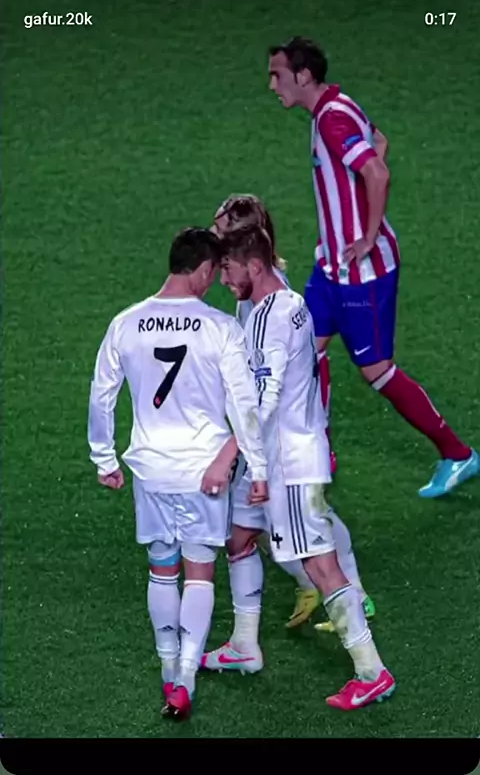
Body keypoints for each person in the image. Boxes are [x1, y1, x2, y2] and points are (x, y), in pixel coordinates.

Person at [267, 35, 479, 498]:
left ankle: (458, 454)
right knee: (305, 348)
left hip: (362, 274)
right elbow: (379, 141)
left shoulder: (332, 120)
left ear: (303, 75)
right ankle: (319, 451)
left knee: (377, 370)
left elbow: (377, 171)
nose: (272, 85)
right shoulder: (337, 104)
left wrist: (366, 234)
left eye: (277, 76)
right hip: (331, 266)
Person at [203, 226, 395, 709]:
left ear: (254, 265)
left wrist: (234, 458)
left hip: (287, 463)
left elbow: (262, 401)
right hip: (280, 454)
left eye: (227, 269)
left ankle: (371, 671)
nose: (224, 280)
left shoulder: (270, 318)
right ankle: (244, 646)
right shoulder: (284, 304)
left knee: (319, 565)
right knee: (239, 537)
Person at [87, 227, 269, 721]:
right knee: (199, 571)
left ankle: (168, 669)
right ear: (204, 269)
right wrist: (257, 465)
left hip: (151, 470)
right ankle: (186, 676)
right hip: (203, 473)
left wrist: (105, 458)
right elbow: (244, 405)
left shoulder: (126, 323)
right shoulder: (219, 328)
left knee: (161, 568)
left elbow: (102, 394)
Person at [210, 193, 375, 634]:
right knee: (249, 525)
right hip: (277, 425)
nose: (213, 238)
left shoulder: (266, 298)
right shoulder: (254, 287)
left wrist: (235, 445)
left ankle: (350, 596)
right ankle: (303, 595)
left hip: (288, 426)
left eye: (219, 230)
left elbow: (271, 383)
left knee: (309, 513)